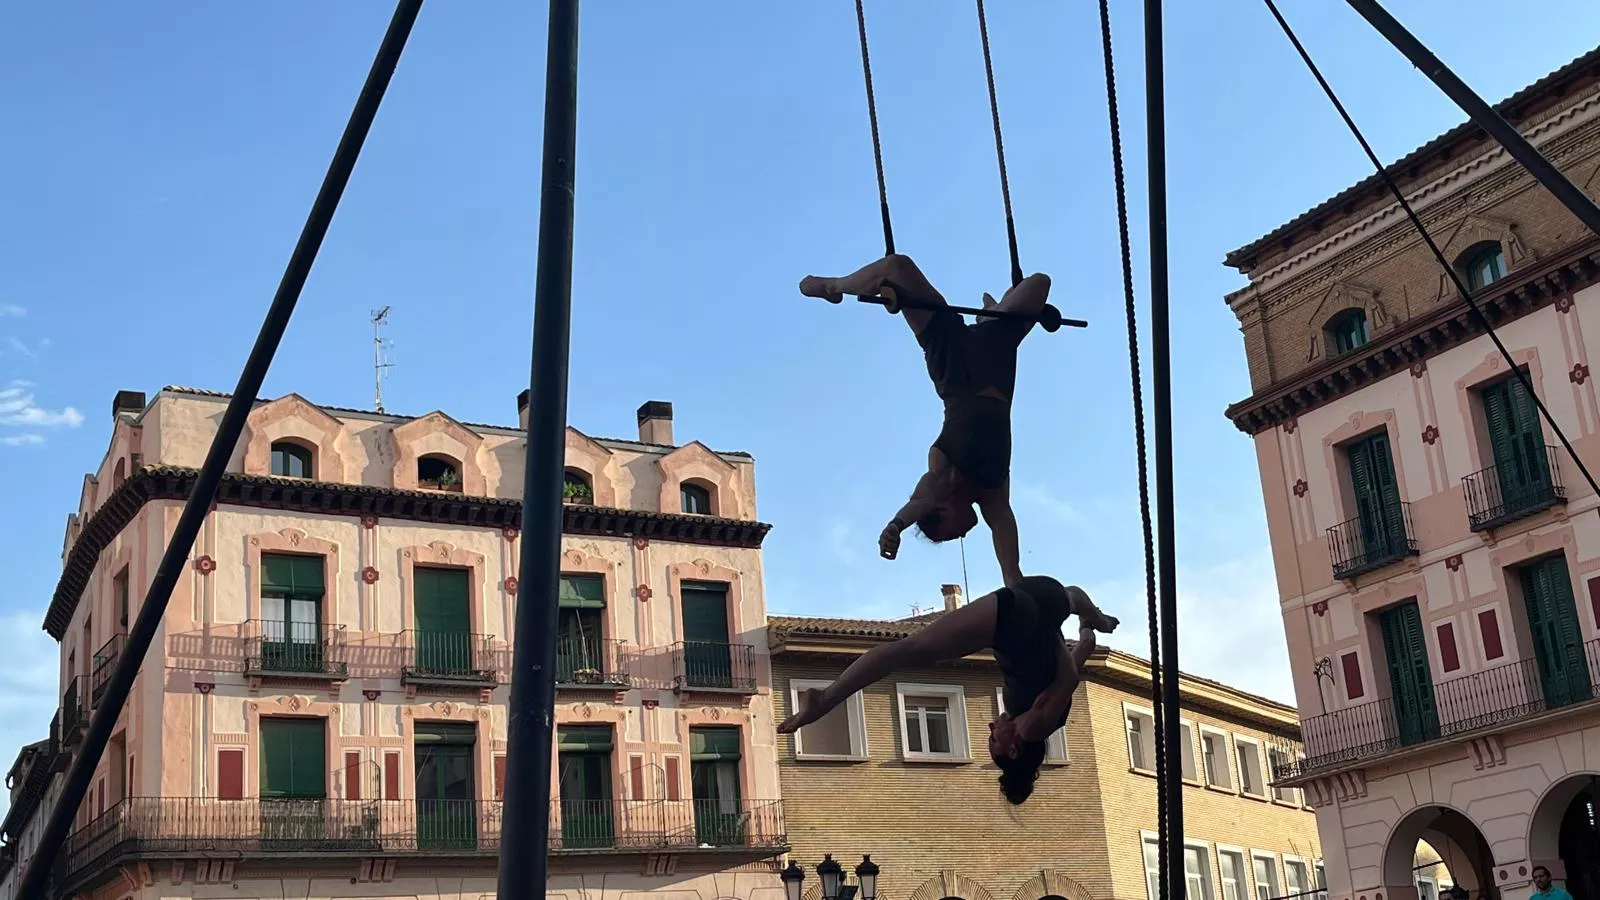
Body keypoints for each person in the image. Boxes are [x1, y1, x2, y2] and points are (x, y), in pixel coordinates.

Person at [799, 254, 1052, 588]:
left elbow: (920, 501)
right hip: (999, 344)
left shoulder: (943, 475)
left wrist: (895, 526)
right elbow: (1011, 568)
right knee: (1040, 283)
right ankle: (996, 312)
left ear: (943, 511)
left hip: (953, 359)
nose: (960, 535)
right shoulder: (993, 495)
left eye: (949, 535)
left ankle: (834, 286)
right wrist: (1015, 584)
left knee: (897, 267)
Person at [776, 575, 1118, 805]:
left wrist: (1087, 630)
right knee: (905, 652)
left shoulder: (1030, 715)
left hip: (1037, 605)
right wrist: (1055, 632)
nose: (989, 729)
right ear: (1014, 750)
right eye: (993, 740)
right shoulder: (1031, 728)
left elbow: (1072, 666)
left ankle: (1097, 617)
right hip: (1019, 620)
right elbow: (1069, 679)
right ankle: (825, 700)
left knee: (1022, 558)